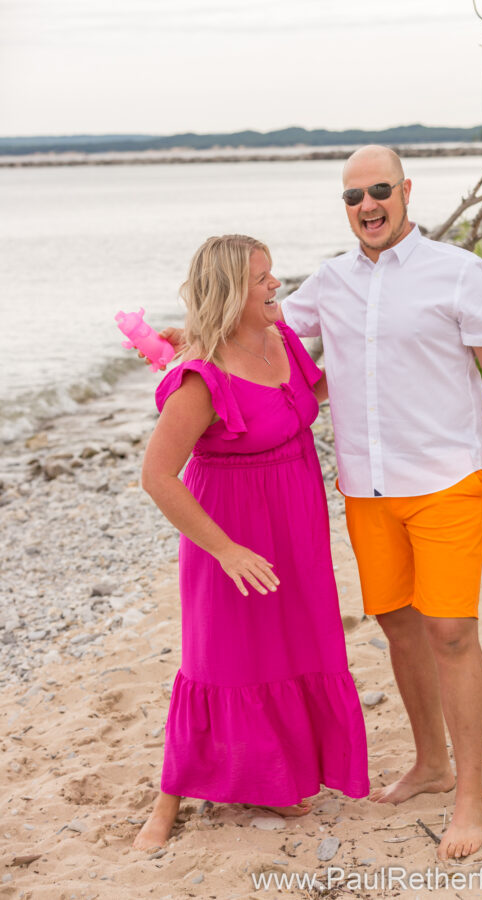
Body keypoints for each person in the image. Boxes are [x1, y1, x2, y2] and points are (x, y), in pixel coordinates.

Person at [153, 147, 482, 860]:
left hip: (445, 483)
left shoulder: (459, 273)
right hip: (365, 493)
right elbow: (256, 329)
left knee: (452, 635)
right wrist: (182, 339)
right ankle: (430, 765)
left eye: (380, 190)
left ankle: (470, 796)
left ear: (406, 191)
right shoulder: (328, 285)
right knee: (402, 630)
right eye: (353, 196)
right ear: (344, 206)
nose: (368, 205)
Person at [133, 234, 369, 851]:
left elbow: (304, 396)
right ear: (231, 292)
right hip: (229, 534)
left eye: (271, 275)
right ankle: (167, 801)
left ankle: (275, 776)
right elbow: (157, 477)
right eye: (262, 279)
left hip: (297, 518)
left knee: (294, 641)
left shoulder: (283, 340)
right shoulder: (199, 378)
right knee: (220, 658)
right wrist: (226, 550)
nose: (275, 286)